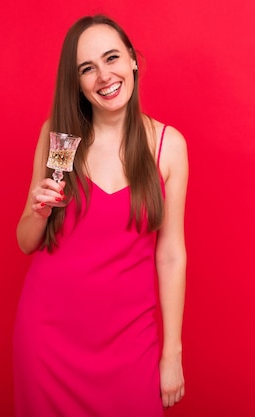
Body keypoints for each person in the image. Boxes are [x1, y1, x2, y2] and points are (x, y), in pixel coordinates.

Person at [14, 14, 188, 417]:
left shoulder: (168, 147)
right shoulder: (60, 139)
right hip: (48, 342)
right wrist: (39, 211)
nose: (103, 76)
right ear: (76, 83)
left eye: (112, 58)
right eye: (87, 68)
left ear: (132, 61)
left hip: (131, 343)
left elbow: (171, 255)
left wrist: (172, 354)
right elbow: (26, 241)